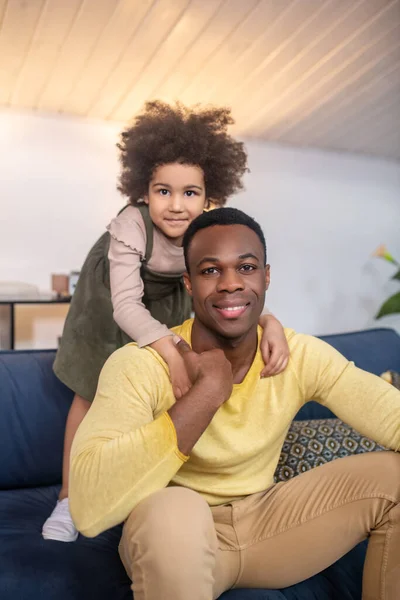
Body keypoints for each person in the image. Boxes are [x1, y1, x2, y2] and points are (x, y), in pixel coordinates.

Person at [69, 207, 400, 599]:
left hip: (270, 528)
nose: (230, 284)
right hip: (176, 534)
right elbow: (88, 508)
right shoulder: (141, 365)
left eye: (246, 268)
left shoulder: (298, 354)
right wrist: (205, 395)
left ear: (266, 276)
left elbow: (390, 414)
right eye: (210, 271)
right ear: (189, 283)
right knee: (173, 508)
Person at [42, 102, 289, 543]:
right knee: (92, 389)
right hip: (111, 299)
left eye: (190, 193)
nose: (176, 206)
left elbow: (229, 297)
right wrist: (171, 352)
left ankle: (137, 486)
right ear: (144, 189)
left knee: (156, 388)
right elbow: (125, 306)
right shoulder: (129, 226)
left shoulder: (207, 233)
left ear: (210, 195)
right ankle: (69, 498)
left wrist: (269, 323)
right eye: (163, 191)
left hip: (169, 296)